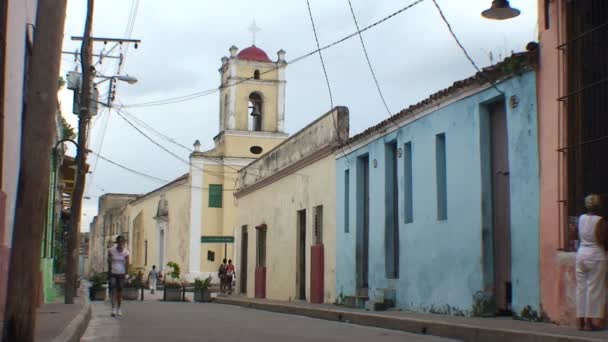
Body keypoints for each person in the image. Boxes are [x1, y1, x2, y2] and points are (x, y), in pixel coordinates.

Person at [573, 194, 607, 331]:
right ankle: (589, 322)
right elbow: (602, 239)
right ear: (599, 206)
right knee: (594, 289)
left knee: (581, 289)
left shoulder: (580, 218)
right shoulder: (601, 221)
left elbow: (575, 234)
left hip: (581, 254)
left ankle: (580, 321)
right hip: (596, 256)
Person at [108, 235, 130, 317]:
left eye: (122, 242)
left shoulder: (126, 252)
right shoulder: (111, 250)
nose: (121, 243)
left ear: (124, 243)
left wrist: (127, 274)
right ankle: (113, 309)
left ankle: (119, 308)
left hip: (122, 274)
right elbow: (109, 262)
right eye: (119, 242)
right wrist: (109, 273)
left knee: (120, 292)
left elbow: (127, 264)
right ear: (117, 242)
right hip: (113, 273)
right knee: (113, 290)